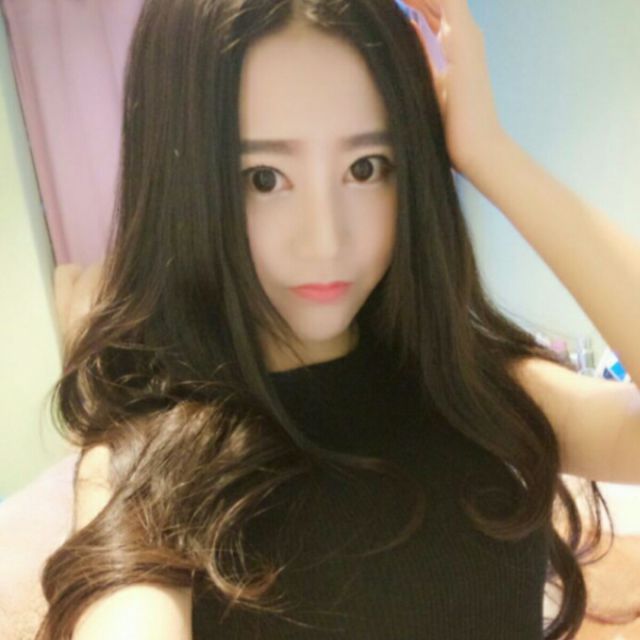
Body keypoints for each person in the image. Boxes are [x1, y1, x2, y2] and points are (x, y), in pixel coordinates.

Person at [34, 0, 640, 638]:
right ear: (184, 188)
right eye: (263, 178)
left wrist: (490, 153)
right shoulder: (144, 468)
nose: (326, 241)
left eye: (365, 167)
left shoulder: (469, 388)